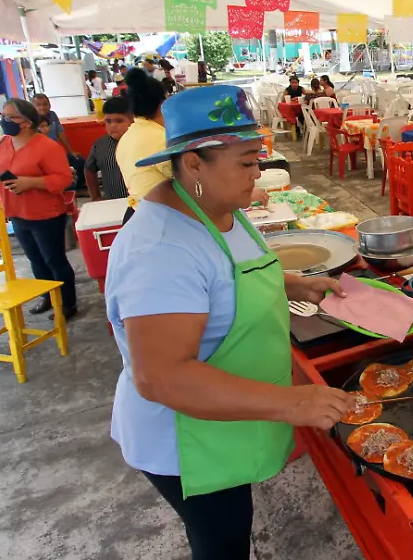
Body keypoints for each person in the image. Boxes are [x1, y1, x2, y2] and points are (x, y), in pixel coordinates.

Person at [105, 85, 352, 559]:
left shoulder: (214, 206)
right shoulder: (161, 248)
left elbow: (232, 271)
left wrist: (293, 282)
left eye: (256, 159)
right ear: (194, 162)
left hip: (225, 420)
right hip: (186, 441)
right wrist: (291, 403)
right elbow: (162, 376)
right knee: (222, 542)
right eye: (245, 162)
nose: (257, 173)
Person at [0, 99, 79, 319]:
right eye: (3, 116)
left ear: (27, 122)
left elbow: (63, 179)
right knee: (35, 260)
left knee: (54, 260)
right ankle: (47, 296)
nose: (5, 121)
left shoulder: (47, 147)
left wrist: (30, 182)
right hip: (17, 213)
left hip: (45, 214)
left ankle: (67, 303)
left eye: (11, 117)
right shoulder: (3, 143)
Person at [117, 67, 170, 217]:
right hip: (158, 218)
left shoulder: (126, 138)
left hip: (135, 213)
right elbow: (189, 181)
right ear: (162, 105)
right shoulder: (160, 139)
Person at [84, 96, 131, 202]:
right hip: (111, 202)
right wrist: (95, 196)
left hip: (142, 203)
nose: (113, 125)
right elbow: (89, 169)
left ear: (132, 120)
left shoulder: (141, 141)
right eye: (108, 121)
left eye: (119, 121)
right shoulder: (100, 145)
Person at [33, 94, 85, 188]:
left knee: (79, 161)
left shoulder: (53, 115)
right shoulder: (31, 121)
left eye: (45, 104)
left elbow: (60, 133)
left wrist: (70, 151)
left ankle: (79, 189)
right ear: (33, 106)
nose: (42, 107)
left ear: (49, 104)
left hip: (58, 153)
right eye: (38, 105)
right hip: (44, 158)